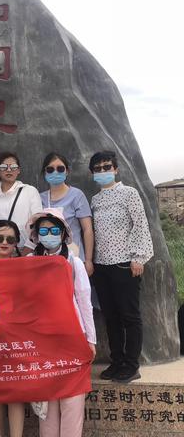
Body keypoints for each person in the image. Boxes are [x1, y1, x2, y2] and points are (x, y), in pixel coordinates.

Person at [27, 208, 96, 437]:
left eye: (54, 230)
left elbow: (84, 300)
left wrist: (90, 339)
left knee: (72, 400)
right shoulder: (28, 263)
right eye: (44, 230)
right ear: (36, 234)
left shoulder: (73, 262)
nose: (49, 234)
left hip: (71, 336)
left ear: (64, 234)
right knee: (47, 402)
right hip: (41, 339)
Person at [89, 151, 153, 383]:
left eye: (107, 167)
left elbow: (140, 225)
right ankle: (117, 362)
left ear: (115, 169)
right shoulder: (95, 200)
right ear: (92, 173)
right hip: (102, 265)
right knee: (111, 316)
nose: (103, 171)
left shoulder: (129, 193)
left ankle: (131, 364)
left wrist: (138, 257)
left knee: (130, 316)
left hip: (125, 263)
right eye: (98, 168)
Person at [0, 220, 25, 437]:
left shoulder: (24, 266)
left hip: (15, 336)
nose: (4, 243)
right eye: (0, 238)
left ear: (16, 243)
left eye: (10, 239)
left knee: (15, 391)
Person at [39, 152, 94, 276]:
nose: (55, 172)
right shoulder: (40, 198)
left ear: (67, 171)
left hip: (74, 258)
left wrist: (88, 260)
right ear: (45, 173)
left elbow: (87, 229)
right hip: (48, 260)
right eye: (50, 169)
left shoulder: (77, 195)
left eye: (60, 168)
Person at [0, 152, 42, 253]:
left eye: (13, 167)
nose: (8, 170)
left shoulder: (30, 191)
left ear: (19, 170)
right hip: (1, 249)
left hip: (27, 249)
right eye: (4, 167)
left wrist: (28, 249)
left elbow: (38, 222)